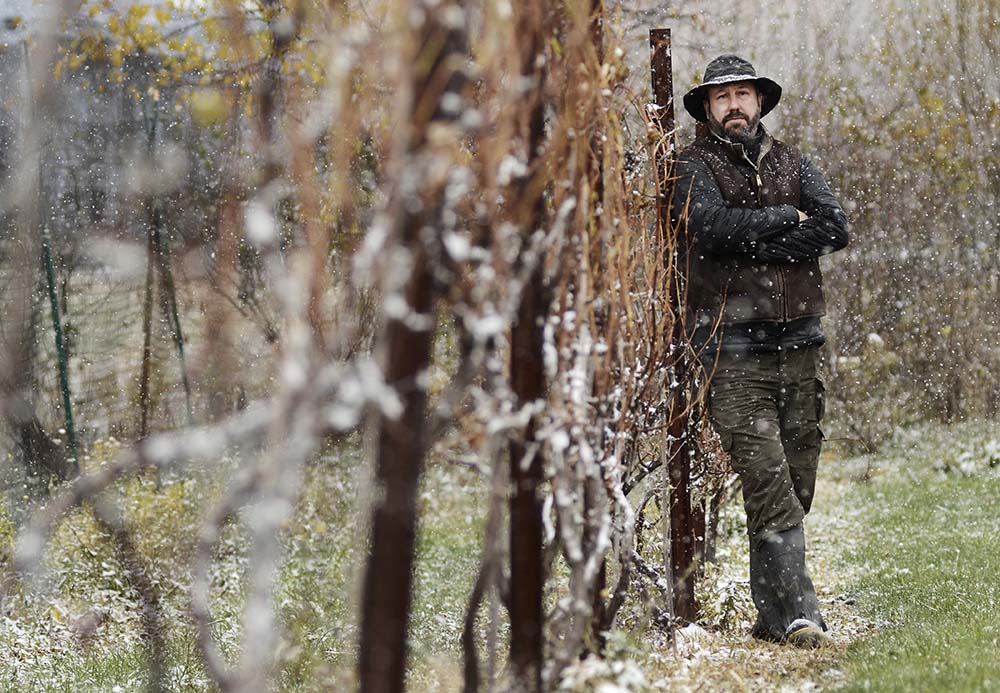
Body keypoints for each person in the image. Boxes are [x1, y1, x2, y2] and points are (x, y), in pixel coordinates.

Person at [672, 55, 850, 648]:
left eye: (742, 94)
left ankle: (772, 621)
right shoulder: (690, 165)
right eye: (721, 98)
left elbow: (834, 227)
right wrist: (781, 219)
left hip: (799, 347)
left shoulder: (794, 160)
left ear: (759, 102)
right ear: (706, 109)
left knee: (795, 487)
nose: (734, 106)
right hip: (732, 355)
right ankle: (803, 617)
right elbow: (709, 228)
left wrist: (763, 243)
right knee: (770, 483)